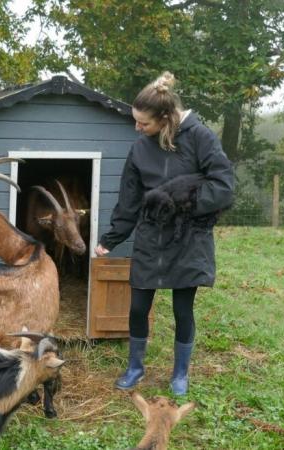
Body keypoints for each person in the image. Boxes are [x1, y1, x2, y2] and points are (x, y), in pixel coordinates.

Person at [94, 72, 234, 395]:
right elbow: (129, 198)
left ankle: (180, 374)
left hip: (188, 237)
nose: (137, 129)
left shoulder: (201, 138)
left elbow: (224, 187)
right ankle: (135, 367)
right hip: (151, 238)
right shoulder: (140, 149)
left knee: (182, 310)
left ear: (165, 118)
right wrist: (111, 238)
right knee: (138, 307)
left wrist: (183, 201)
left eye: (143, 123)